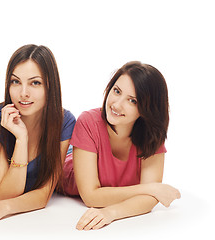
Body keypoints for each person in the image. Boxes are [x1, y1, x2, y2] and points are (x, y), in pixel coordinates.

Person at [0, 44, 76, 222]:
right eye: (16, 82)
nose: (23, 93)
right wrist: (21, 139)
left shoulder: (64, 122)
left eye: (35, 83)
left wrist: (3, 209)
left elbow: (44, 194)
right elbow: (5, 193)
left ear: (50, 86)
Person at [62, 61, 181, 230]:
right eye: (116, 91)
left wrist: (111, 213)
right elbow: (90, 196)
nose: (117, 104)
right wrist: (150, 188)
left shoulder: (152, 134)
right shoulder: (88, 121)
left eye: (132, 101)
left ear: (148, 109)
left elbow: (149, 198)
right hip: (66, 160)